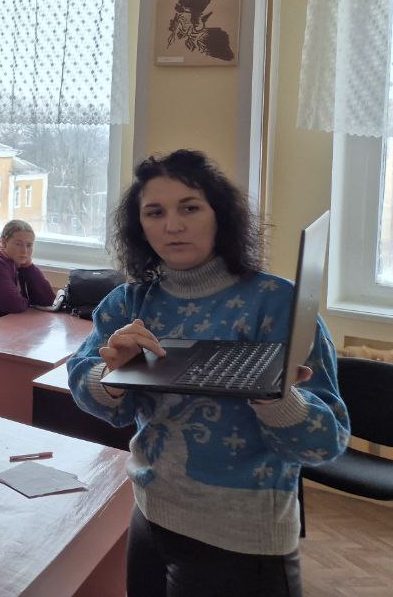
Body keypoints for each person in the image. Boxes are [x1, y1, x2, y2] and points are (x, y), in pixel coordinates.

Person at [67, 150, 348, 597]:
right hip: (149, 515)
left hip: (242, 540)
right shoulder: (128, 302)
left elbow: (324, 443)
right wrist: (111, 373)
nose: (172, 226)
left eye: (190, 208)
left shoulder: (278, 304)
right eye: (155, 213)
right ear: (140, 226)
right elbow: (86, 387)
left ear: (221, 216)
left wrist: (276, 395)